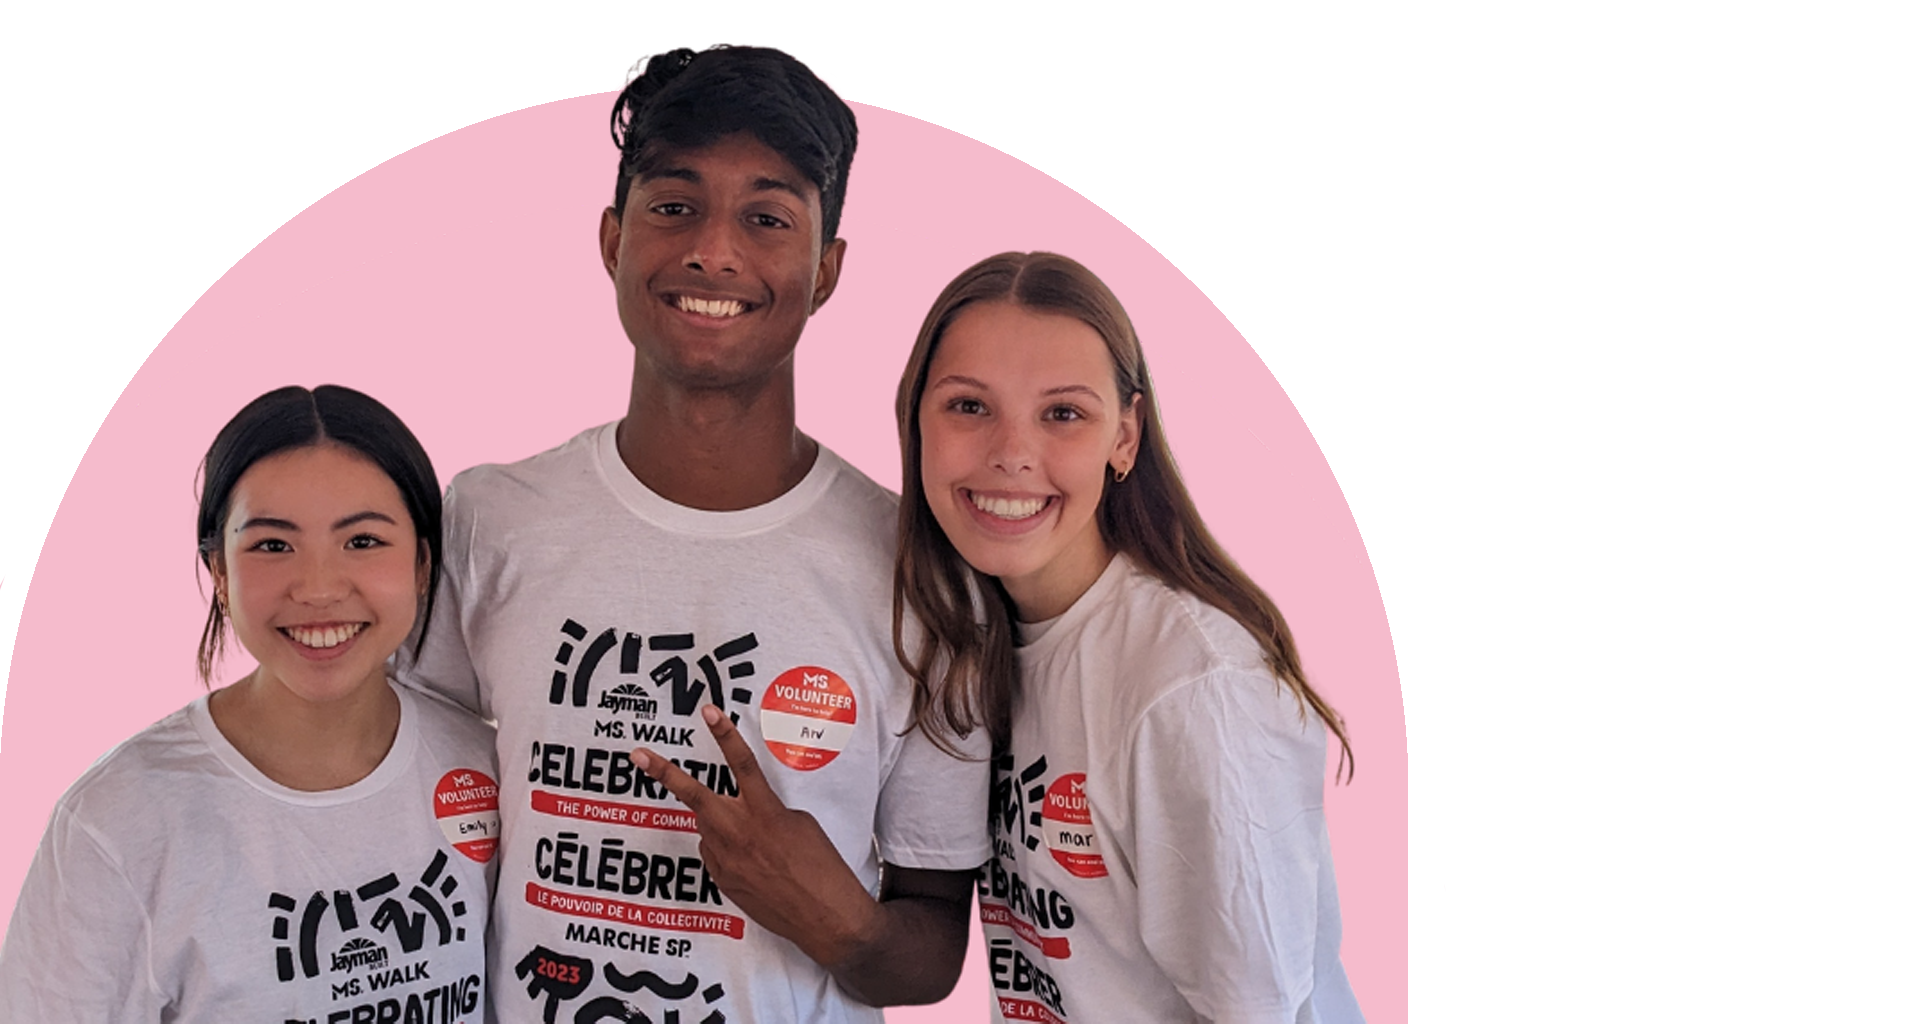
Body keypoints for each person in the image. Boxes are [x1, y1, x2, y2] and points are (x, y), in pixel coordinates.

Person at [394, 45, 989, 1022]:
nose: (714, 250)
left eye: (767, 218)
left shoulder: (918, 575)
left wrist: (840, 921)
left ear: (827, 268)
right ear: (612, 238)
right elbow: (392, 800)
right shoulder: (486, 522)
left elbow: (930, 949)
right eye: (674, 206)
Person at [894, 251, 1368, 1024]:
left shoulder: (1193, 688)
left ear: (1125, 436)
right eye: (969, 407)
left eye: (1063, 414)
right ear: (917, 420)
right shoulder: (973, 638)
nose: (1012, 452)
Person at [0, 384, 499, 1022]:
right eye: (271, 545)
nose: (318, 589)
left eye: (364, 541)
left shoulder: (484, 766)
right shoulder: (117, 823)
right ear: (220, 573)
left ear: (423, 564)